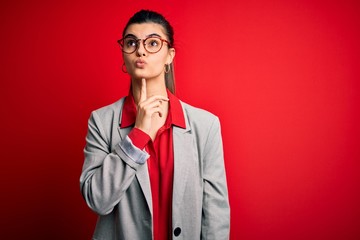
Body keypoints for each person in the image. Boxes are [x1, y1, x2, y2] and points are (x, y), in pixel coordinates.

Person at [80, 9, 230, 240]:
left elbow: (215, 215)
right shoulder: (101, 121)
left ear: (169, 55)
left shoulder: (205, 125)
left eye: (152, 43)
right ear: (124, 54)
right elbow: (98, 200)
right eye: (131, 43)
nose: (140, 50)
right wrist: (137, 135)